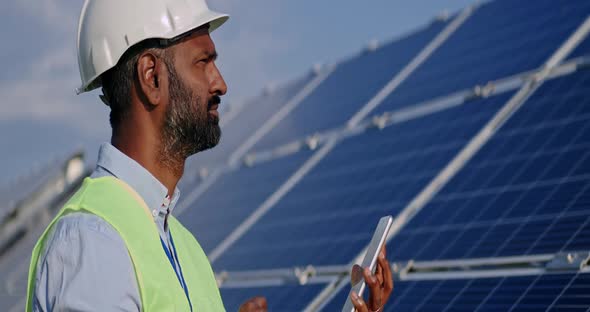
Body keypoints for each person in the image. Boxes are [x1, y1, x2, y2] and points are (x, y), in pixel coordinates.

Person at [25, 0, 393, 311]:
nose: (221, 83)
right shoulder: (93, 242)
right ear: (151, 76)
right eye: (203, 62)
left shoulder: (183, 246)